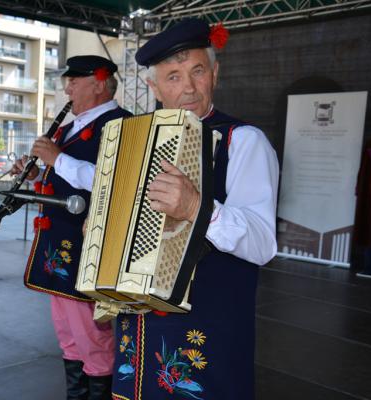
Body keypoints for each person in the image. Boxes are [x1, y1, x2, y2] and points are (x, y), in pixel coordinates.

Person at [110, 19, 279, 399]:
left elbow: (263, 242)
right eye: (172, 76)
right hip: (137, 322)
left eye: (197, 71)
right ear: (153, 88)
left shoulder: (244, 141)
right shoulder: (136, 140)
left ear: (215, 73)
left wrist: (197, 207)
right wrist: (102, 231)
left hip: (206, 324)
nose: (187, 87)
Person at [11, 55, 132, 399]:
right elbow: (62, 180)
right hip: (58, 239)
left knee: (92, 333)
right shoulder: (68, 128)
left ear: (98, 83)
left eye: (74, 82)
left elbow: (115, 182)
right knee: (68, 333)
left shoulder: (122, 124)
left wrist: (57, 159)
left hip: (88, 243)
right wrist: (37, 174)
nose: (67, 89)